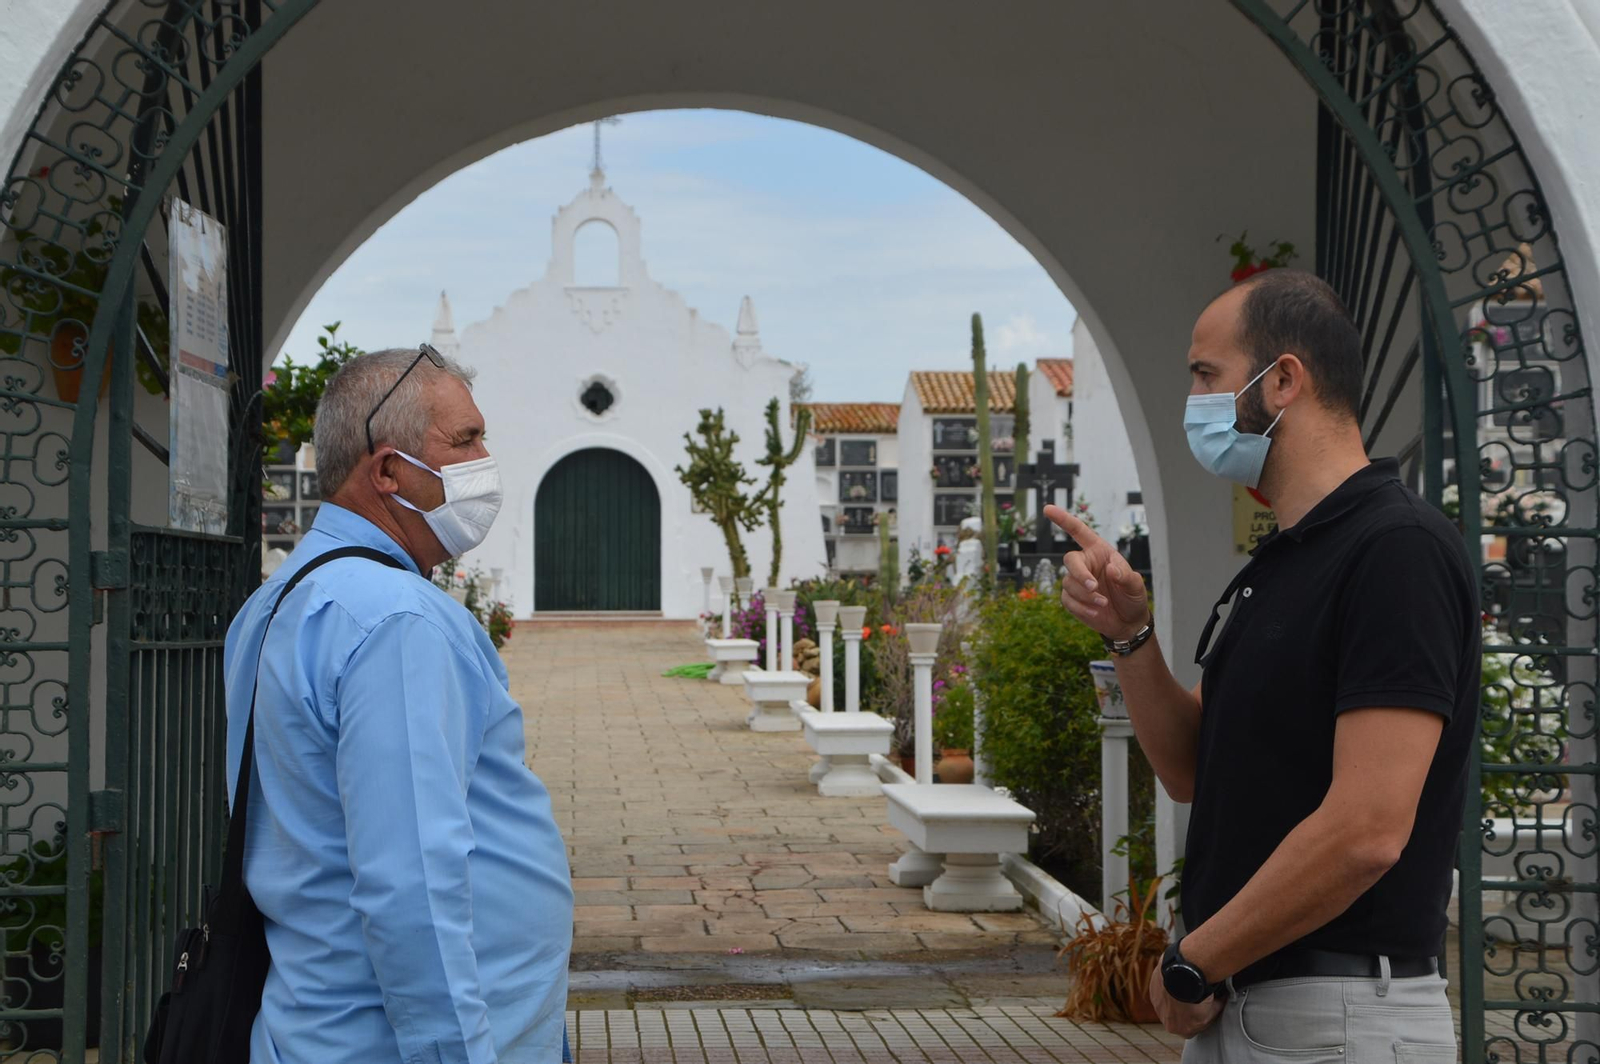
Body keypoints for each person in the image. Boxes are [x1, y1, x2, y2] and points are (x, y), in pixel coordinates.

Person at [1046, 269, 1477, 1059]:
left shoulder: (1395, 551)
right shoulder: (1282, 561)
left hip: (1338, 1013)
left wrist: (1191, 960)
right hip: (1247, 1009)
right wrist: (1131, 634)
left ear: (1282, 381)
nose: (1196, 402)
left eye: (1207, 375)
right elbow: (1193, 770)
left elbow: (1368, 829)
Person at [225, 345, 573, 1063]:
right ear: (387, 470)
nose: (486, 460)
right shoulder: (396, 621)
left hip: (317, 1025)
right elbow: (410, 883)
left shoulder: (276, 604)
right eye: (465, 441)